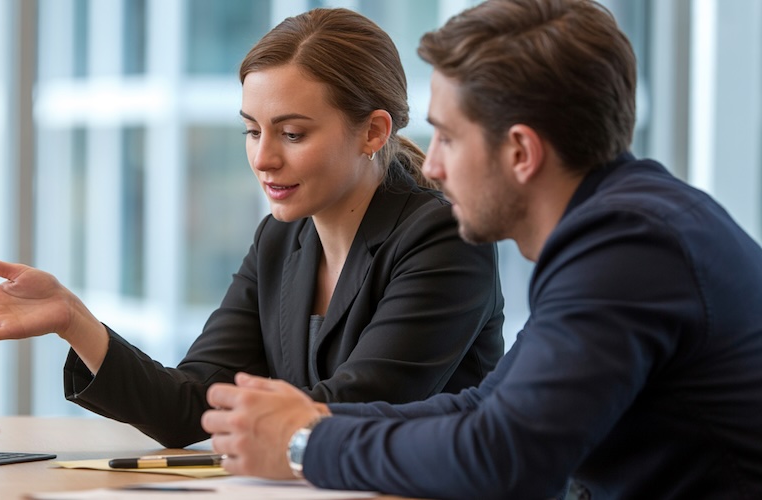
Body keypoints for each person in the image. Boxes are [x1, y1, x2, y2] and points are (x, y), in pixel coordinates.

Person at [200, 0, 762, 497]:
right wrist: (315, 419)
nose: (433, 164)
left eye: (448, 137)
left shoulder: (628, 248)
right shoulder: (624, 225)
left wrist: (304, 443)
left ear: (520, 152)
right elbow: (486, 408)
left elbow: (506, 457)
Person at [0, 8, 505, 449]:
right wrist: (74, 321)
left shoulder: (442, 237)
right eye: (252, 130)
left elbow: (347, 411)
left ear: (374, 131)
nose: (263, 158)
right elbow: (190, 407)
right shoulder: (280, 239)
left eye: (293, 134)